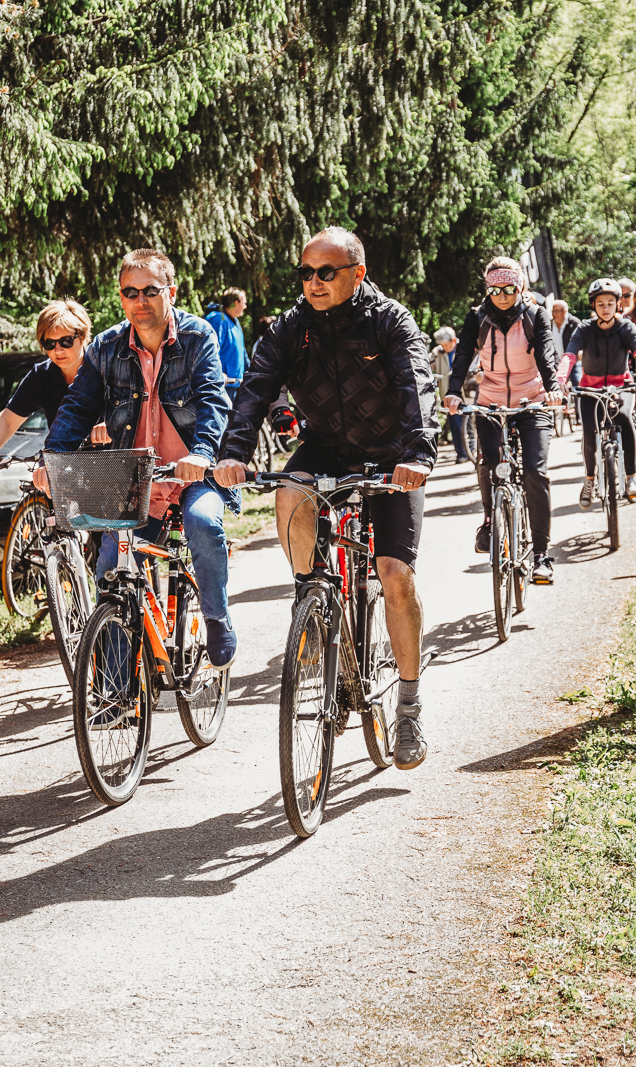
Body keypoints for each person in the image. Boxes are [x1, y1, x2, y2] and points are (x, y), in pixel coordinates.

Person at [214, 226, 437, 769]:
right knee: (291, 495)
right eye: (306, 272)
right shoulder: (292, 327)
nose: (313, 282)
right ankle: (310, 595)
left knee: (393, 575)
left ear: (356, 274)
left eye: (326, 272)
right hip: (327, 447)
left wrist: (419, 454)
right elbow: (255, 388)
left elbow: (416, 383)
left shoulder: (390, 320)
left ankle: (408, 706)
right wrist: (233, 452)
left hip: (390, 455)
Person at [33, 248, 238, 667]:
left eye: (150, 290)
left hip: (193, 475)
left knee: (202, 525)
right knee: (111, 570)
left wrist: (201, 453)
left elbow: (213, 402)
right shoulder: (106, 347)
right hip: (133, 479)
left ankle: (216, 617)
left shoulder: (199, 337)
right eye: (130, 292)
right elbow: (76, 408)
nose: (139, 301)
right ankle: (115, 690)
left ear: (172, 292)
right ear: (121, 297)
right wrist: (51, 460)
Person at [444, 257, 565, 584]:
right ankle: (490, 519)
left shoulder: (535, 315)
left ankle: (540, 553)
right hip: (491, 401)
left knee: (534, 472)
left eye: (509, 289)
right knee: (487, 462)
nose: (501, 295)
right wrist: (454, 391)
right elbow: (464, 355)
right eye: (495, 289)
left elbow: (544, 354)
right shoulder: (477, 317)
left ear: (520, 287)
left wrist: (552, 389)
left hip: (532, 401)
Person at [0, 300, 109, 476]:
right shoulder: (42, 376)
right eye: (49, 343)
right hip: (68, 473)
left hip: (112, 469)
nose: (58, 350)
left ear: (84, 337)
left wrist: (112, 424)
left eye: (66, 341)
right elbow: (7, 420)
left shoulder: (106, 367)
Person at [564, 278, 636, 509]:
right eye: (600, 304)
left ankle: (631, 477)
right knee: (590, 433)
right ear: (593, 306)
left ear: (618, 304)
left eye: (610, 303)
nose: (606, 307)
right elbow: (570, 355)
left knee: (625, 419)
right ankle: (589, 479)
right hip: (590, 390)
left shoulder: (626, 327)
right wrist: (561, 378)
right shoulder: (584, 329)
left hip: (621, 387)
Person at [431, 326, 470, 463]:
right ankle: (461, 454)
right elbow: (428, 366)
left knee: (472, 425)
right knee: (456, 425)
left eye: (446, 345)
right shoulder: (438, 353)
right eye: (442, 345)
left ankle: (474, 451)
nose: (444, 347)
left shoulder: (465, 348)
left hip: (468, 393)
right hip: (450, 395)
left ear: (454, 340)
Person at [204, 287, 249, 397]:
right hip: (221, 386)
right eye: (244, 302)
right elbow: (211, 349)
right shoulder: (218, 319)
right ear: (236, 302)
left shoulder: (235, 322)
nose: (245, 306)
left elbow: (242, 352)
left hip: (236, 386)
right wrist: (217, 373)